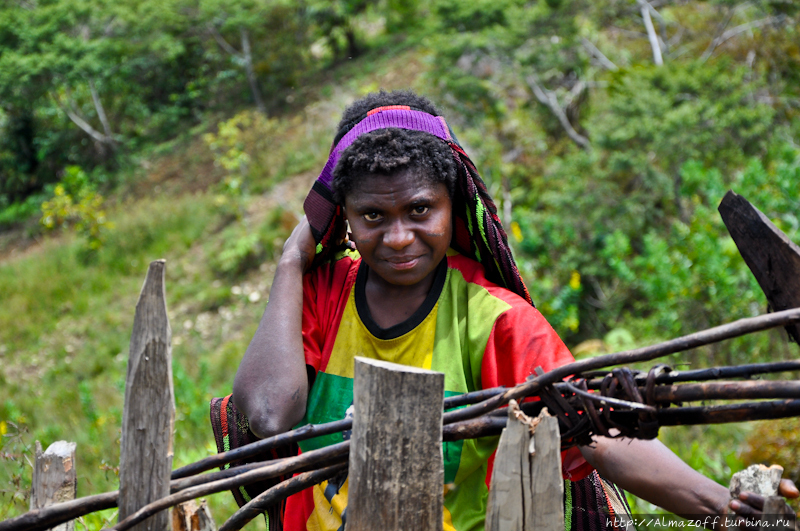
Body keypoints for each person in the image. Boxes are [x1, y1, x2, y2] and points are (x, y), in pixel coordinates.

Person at [232, 90, 798, 531]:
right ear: (344, 219)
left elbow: (596, 433)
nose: (399, 236)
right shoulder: (321, 294)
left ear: (455, 205)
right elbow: (268, 415)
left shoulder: (494, 320)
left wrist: (722, 507)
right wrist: (291, 261)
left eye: (420, 209)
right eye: (373, 216)